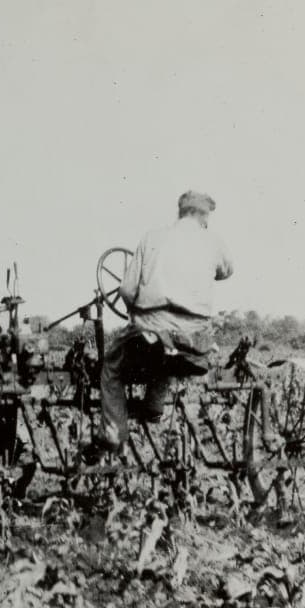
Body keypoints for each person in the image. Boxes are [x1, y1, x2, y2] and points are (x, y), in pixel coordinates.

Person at [84, 190, 233, 462]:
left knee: (112, 365)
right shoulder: (214, 242)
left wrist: (137, 310)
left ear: (180, 211)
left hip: (155, 327)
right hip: (196, 336)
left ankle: (114, 433)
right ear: (203, 216)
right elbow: (226, 271)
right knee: (169, 353)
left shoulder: (152, 238)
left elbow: (127, 291)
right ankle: (153, 406)